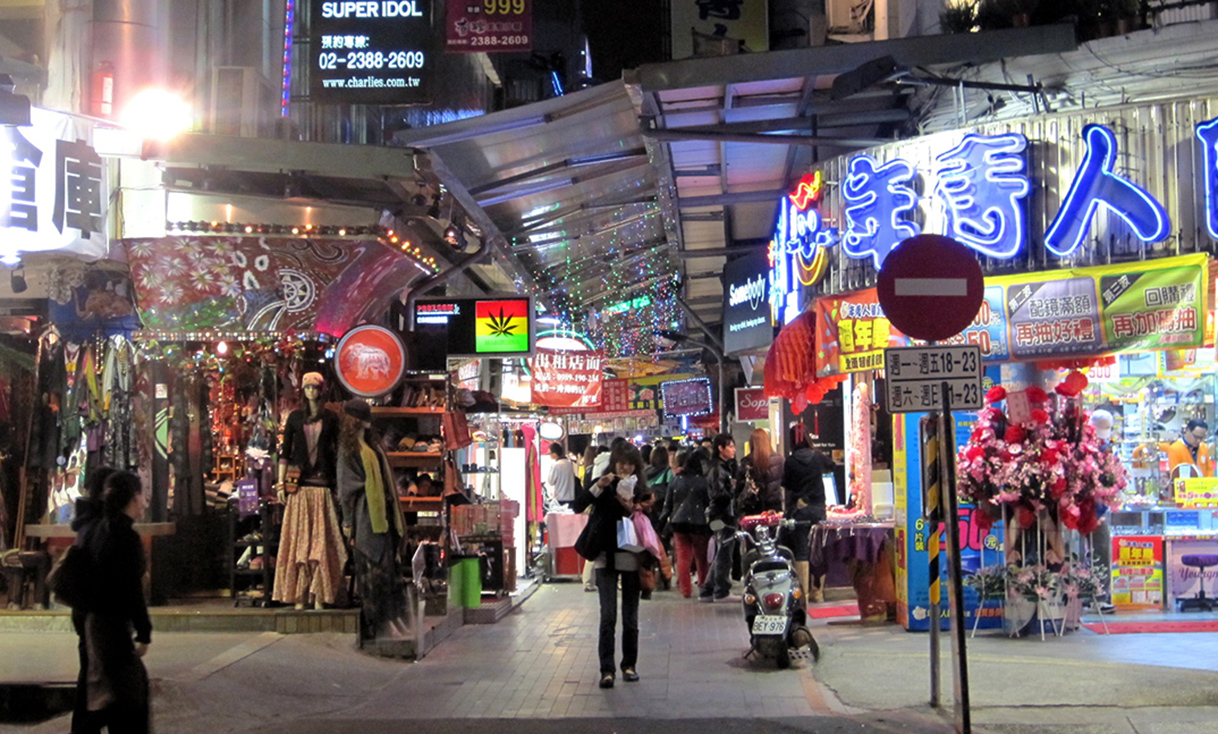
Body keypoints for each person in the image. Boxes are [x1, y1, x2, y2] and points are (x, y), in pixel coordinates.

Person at [573, 442, 652, 689]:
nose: (625, 468)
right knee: (607, 615)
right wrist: (599, 486)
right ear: (614, 463)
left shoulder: (640, 489)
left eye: (630, 464)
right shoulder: (603, 484)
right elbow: (578, 505)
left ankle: (629, 665)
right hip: (604, 554)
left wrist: (640, 508)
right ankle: (606, 670)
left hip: (630, 554)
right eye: (621, 463)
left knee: (630, 616)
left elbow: (651, 524)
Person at [81, 470, 152, 733]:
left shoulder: (99, 530)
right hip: (112, 628)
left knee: (107, 699)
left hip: (96, 625)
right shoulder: (125, 538)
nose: (146, 502)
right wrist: (144, 632)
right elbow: (132, 590)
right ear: (133, 497)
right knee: (128, 701)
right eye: (143, 495)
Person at [273, 372, 348, 611]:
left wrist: (339, 484)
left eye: (314, 388)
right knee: (298, 542)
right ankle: (299, 595)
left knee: (322, 542)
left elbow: (337, 452)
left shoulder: (331, 418)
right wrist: (280, 484)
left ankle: (320, 595)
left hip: (323, 485)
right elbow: (285, 452)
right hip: (300, 486)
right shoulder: (295, 418)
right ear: (302, 391)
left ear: (321, 390)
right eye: (307, 388)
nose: (311, 392)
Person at [337, 399, 410, 641]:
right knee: (373, 573)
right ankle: (380, 624)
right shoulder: (350, 450)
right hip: (365, 516)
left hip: (383, 515)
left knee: (389, 572)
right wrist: (348, 522)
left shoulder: (370, 446)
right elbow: (346, 489)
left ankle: (393, 619)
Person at [70, 466, 116, 734]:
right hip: (96, 611)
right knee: (98, 676)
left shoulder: (88, 521)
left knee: (92, 674)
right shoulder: (101, 525)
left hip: (87, 608)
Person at [783, 423, 834, 602]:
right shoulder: (818, 457)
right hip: (818, 508)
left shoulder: (790, 461)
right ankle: (818, 592)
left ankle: (803, 594)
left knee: (802, 550)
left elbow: (787, 487)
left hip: (800, 510)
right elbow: (833, 465)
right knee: (819, 549)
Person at [660, 450, 712, 598]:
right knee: (701, 558)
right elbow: (708, 503)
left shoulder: (676, 479)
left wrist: (661, 524)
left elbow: (668, 505)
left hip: (678, 523)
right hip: (699, 524)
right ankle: (703, 585)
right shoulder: (704, 481)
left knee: (683, 558)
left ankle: (685, 590)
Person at [700, 435, 740, 602]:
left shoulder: (721, 467)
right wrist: (733, 489)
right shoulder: (718, 468)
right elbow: (719, 494)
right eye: (730, 446)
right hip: (722, 514)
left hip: (719, 514)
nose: (733, 450)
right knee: (724, 550)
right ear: (720, 449)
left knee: (722, 549)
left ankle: (708, 589)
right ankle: (721, 590)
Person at [737, 428, 784, 519]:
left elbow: (739, 487)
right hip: (774, 507)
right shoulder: (779, 460)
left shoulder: (746, 462)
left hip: (753, 507)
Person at [546, 443, 578, 509]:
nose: (549, 455)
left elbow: (550, 482)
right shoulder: (569, 463)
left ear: (554, 453)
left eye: (550, 453)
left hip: (560, 498)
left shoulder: (556, 465)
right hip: (571, 497)